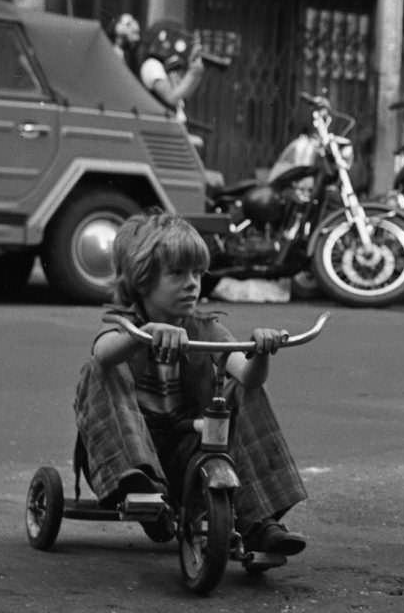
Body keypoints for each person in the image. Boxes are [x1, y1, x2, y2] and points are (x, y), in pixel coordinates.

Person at [73, 212, 309, 556]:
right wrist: (148, 334)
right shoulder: (126, 325)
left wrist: (260, 352)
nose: (192, 284)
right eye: (177, 273)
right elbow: (103, 353)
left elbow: (247, 376)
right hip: (129, 450)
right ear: (143, 280)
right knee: (100, 369)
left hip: (188, 448)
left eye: (197, 273)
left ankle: (258, 520)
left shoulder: (205, 328)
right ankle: (139, 482)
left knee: (245, 390)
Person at [139, 21, 205, 146]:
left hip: (173, 128)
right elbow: (172, 97)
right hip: (160, 131)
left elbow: (184, 94)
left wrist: (196, 73)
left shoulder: (168, 67)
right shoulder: (152, 65)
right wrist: (192, 73)